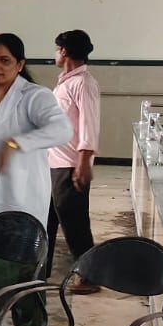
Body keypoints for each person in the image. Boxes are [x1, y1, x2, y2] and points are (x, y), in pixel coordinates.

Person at [0, 33, 72, 227]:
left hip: (18, 195)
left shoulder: (34, 96)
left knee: (14, 243)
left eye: (5, 61)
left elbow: (62, 129)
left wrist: (16, 143)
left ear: (19, 65)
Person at [48, 29, 102, 291]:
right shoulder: (65, 82)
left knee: (74, 223)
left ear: (64, 51)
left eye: (57, 49)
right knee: (48, 220)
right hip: (54, 162)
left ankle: (90, 277)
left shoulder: (83, 83)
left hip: (70, 165)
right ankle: (41, 269)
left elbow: (89, 123)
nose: (55, 54)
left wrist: (83, 163)